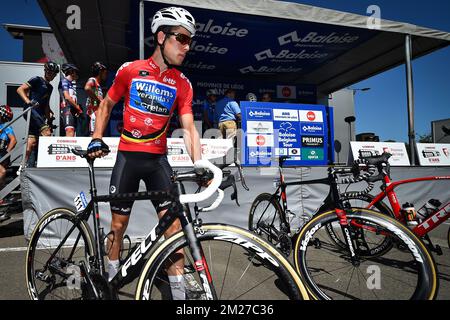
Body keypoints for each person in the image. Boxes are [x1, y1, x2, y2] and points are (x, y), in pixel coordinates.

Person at [87, 6, 201, 300]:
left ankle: (179, 294)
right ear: (161, 37)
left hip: (157, 162)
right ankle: (111, 278)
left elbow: (189, 128)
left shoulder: (182, 84)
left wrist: (200, 163)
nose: (186, 46)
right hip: (128, 157)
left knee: (173, 228)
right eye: (181, 39)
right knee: (118, 225)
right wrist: (96, 137)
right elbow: (106, 105)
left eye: (190, 41)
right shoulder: (130, 70)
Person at [16, 61, 59, 168]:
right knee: (46, 133)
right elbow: (20, 89)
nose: (52, 75)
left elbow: (46, 106)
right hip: (31, 110)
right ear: (45, 71)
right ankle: (46, 165)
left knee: (32, 143)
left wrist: (49, 120)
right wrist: (28, 101)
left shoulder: (50, 87)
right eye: (50, 72)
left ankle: (22, 166)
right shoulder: (36, 79)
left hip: (39, 115)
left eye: (54, 74)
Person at [0, 105, 16, 220]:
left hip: (2, 154)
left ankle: (2, 196)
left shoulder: (6, 126)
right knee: (2, 172)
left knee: (2, 172)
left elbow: (13, 140)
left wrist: (7, 153)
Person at [59, 63, 83, 137]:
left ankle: (72, 148)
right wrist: (77, 107)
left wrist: (76, 108)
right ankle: (69, 148)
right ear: (71, 72)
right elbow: (67, 97)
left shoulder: (70, 83)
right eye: (75, 72)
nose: (77, 74)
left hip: (71, 110)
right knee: (70, 131)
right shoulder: (64, 81)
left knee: (72, 133)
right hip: (67, 109)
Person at [85, 62, 108, 136]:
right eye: (105, 73)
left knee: (98, 133)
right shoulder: (93, 80)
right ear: (100, 72)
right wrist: (97, 100)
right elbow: (87, 88)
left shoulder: (98, 84)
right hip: (93, 113)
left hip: (96, 112)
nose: (106, 75)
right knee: (93, 134)